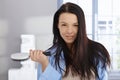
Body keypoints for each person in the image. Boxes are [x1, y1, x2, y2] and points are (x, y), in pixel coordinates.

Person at [30, 2, 111, 80]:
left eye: (75, 25)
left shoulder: (97, 52)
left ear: (82, 26)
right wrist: (44, 63)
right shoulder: (48, 57)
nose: (69, 31)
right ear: (57, 25)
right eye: (64, 25)